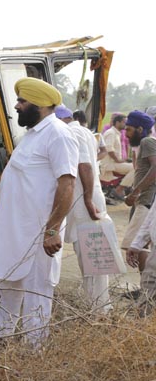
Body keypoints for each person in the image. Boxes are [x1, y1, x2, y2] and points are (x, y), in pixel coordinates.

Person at [0, 78, 78, 347]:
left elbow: (67, 183)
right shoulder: (33, 134)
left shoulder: (58, 134)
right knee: (8, 284)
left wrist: (52, 229)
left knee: (37, 292)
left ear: (39, 105)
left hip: (39, 234)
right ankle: (2, 339)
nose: (17, 106)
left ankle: (32, 353)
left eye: (22, 102)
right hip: (14, 231)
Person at [56, 106, 111, 313]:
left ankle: (97, 308)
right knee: (93, 256)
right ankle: (97, 304)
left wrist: (87, 198)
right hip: (89, 196)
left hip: (85, 201)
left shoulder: (73, 132)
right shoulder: (86, 131)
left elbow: (85, 166)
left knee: (91, 256)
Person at [121, 111, 156, 275]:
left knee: (137, 244)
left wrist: (136, 192)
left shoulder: (147, 141)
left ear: (140, 129)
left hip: (146, 199)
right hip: (145, 199)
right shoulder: (145, 143)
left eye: (128, 130)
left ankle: (146, 290)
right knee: (141, 243)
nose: (126, 134)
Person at [99, 114, 134, 199]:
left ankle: (127, 188)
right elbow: (109, 149)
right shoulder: (111, 133)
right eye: (124, 122)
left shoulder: (116, 133)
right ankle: (120, 189)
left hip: (114, 163)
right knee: (136, 168)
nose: (125, 124)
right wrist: (118, 160)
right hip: (110, 164)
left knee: (135, 166)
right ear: (117, 122)